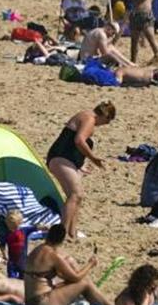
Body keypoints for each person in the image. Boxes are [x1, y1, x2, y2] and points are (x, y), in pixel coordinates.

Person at [46, 101, 116, 240]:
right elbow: (79, 140)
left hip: (66, 160)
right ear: (105, 116)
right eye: (108, 121)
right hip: (60, 158)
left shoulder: (85, 116)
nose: (106, 125)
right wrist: (93, 158)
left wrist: (80, 164)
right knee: (76, 194)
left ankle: (72, 232)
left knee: (77, 197)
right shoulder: (90, 118)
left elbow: (72, 142)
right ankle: (62, 233)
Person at [23, 224, 114, 305]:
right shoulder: (53, 256)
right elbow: (76, 277)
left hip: (30, 300)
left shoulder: (37, 250)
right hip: (42, 301)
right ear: (62, 240)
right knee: (85, 282)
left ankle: (100, 303)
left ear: (48, 236)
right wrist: (90, 264)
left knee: (73, 280)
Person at [127, 0, 158, 65]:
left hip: (146, 15)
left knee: (151, 38)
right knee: (134, 41)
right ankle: (133, 61)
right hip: (135, 15)